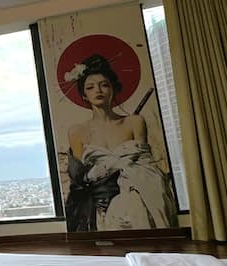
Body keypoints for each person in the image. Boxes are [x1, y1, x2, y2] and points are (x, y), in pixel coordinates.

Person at [64, 54, 176, 231]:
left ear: (113, 89)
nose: (98, 90)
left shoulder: (134, 122)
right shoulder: (76, 132)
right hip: (98, 205)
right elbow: (80, 179)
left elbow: (146, 168)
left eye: (104, 85)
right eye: (90, 87)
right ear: (84, 95)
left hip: (138, 195)